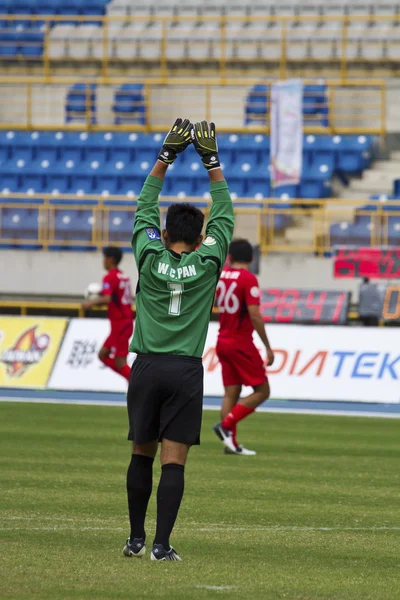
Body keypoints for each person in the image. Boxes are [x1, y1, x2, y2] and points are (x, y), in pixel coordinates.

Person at [123, 118, 234, 561]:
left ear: (165, 234)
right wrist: (212, 162)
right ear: (201, 236)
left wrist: (165, 157)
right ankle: (161, 545)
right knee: (174, 461)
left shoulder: (149, 256)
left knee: (140, 454)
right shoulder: (209, 260)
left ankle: (134, 538)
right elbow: (224, 212)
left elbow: (144, 205)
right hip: (185, 369)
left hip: (146, 366)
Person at [213, 239, 274, 456]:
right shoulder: (248, 279)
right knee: (263, 390)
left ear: (229, 256)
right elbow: (255, 314)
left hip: (222, 340)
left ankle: (231, 445)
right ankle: (226, 425)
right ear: (252, 258)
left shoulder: (221, 276)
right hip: (240, 342)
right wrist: (267, 346)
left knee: (231, 392)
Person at [82, 246, 133, 382]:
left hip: (120, 324)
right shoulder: (124, 277)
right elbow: (115, 298)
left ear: (110, 259)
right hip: (123, 323)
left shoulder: (110, 277)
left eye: (104, 258)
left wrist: (90, 303)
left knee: (120, 362)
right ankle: (133, 379)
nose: (103, 261)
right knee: (102, 355)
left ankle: (137, 382)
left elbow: (107, 298)